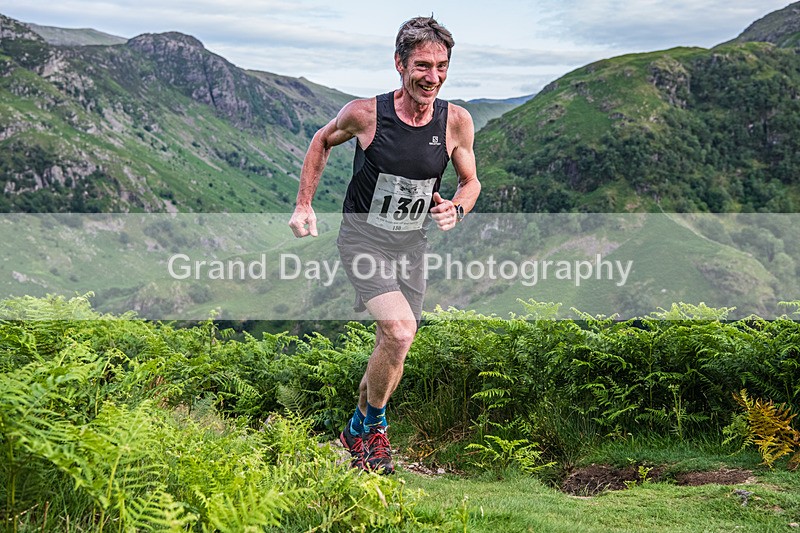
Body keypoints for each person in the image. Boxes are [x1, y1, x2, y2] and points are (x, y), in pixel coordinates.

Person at [288, 16, 480, 474]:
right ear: (399, 64)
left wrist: (457, 206)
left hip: (411, 246)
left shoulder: (456, 121)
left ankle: (354, 433)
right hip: (362, 238)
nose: (432, 77)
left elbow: (471, 182)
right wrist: (304, 205)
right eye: (421, 65)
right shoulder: (367, 114)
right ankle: (375, 429)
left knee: (392, 346)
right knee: (400, 331)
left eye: (441, 66)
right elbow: (322, 140)